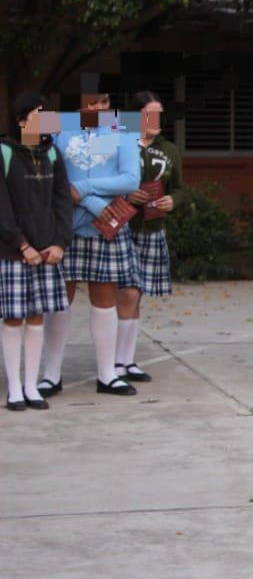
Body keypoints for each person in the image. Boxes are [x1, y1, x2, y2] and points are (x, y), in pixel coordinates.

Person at [40, 89, 141, 397]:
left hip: (105, 225)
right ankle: (50, 375)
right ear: (79, 104)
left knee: (105, 298)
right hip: (64, 227)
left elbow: (130, 180)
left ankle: (107, 374)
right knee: (59, 299)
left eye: (104, 101)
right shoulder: (59, 127)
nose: (98, 107)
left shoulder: (123, 130)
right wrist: (77, 198)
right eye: (91, 102)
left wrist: (85, 193)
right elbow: (48, 175)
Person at [0, 92, 72, 410]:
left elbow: (62, 202)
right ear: (20, 120)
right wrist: (21, 244)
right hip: (14, 252)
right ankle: (14, 388)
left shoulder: (52, 154)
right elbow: (2, 207)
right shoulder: (4, 152)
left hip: (47, 252)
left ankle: (32, 386)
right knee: (14, 318)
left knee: (36, 317)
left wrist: (59, 242)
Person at [115, 90, 182, 383]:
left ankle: (127, 361)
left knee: (137, 294)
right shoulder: (119, 141)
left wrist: (172, 201)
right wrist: (126, 191)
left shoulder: (169, 149)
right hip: (122, 225)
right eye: (149, 113)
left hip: (153, 227)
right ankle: (116, 362)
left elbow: (178, 187)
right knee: (128, 292)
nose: (155, 119)